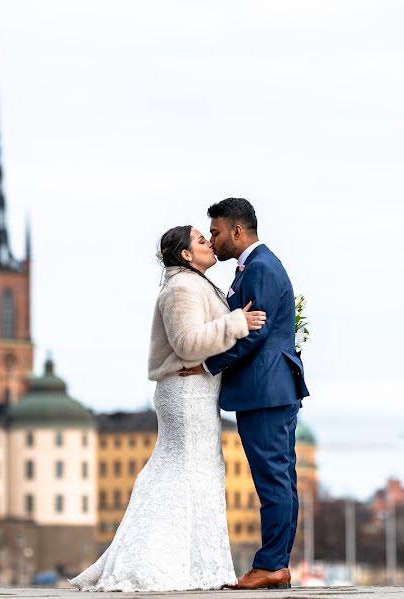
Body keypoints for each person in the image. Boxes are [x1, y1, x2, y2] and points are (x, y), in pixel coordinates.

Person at [69, 225, 266, 592]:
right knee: (187, 471)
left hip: (195, 392)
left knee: (187, 472)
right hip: (186, 393)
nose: (210, 242)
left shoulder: (193, 284)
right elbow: (188, 343)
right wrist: (237, 323)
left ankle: (188, 564)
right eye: (201, 239)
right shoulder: (181, 288)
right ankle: (159, 564)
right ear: (186, 255)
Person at [180, 197, 309, 590]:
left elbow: (255, 333)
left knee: (273, 481)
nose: (214, 240)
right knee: (281, 479)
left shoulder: (260, 268)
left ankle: (271, 564)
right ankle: (277, 564)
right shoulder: (258, 266)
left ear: (238, 231)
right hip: (271, 389)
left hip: (264, 391)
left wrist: (207, 365)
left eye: (216, 232)